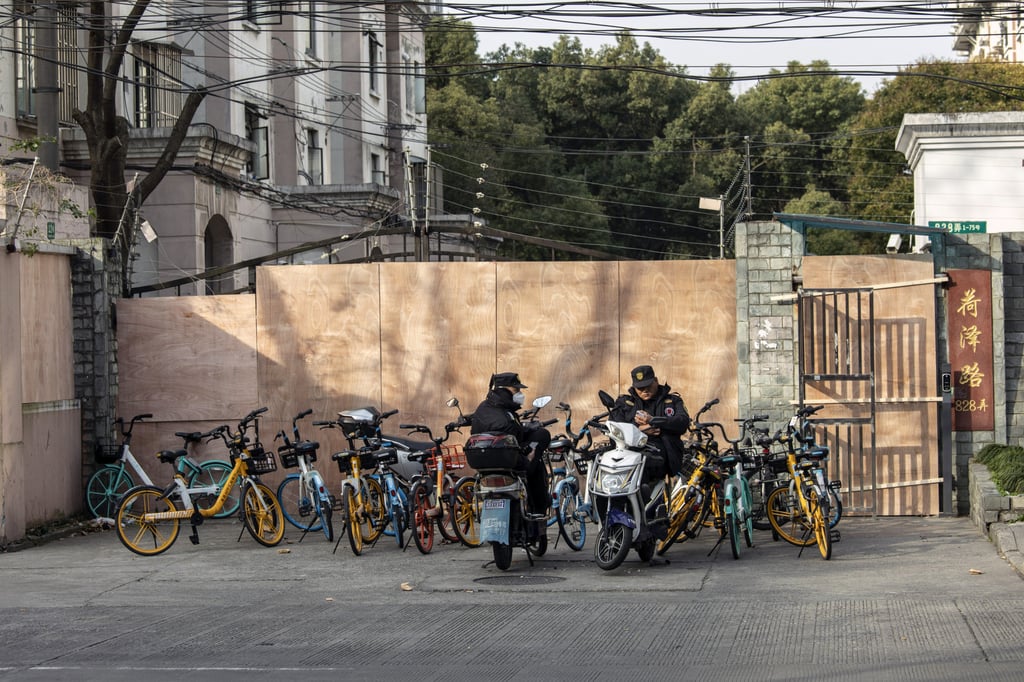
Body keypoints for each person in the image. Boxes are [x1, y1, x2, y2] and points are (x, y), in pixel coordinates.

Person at [471, 372, 551, 515]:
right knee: (542, 437)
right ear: (504, 390)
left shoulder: (484, 408)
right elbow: (514, 435)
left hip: (482, 464)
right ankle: (538, 510)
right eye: (516, 390)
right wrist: (529, 454)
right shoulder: (505, 415)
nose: (520, 393)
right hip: (512, 462)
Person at [610, 365, 691, 481]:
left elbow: (682, 422)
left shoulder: (672, 401)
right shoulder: (624, 403)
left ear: (656, 381)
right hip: (628, 455)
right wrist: (639, 430)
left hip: (663, 456)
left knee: (646, 462)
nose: (645, 390)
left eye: (648, 386)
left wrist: (653, 420)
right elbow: (614, 429)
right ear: (634, 387)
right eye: (640, 388)